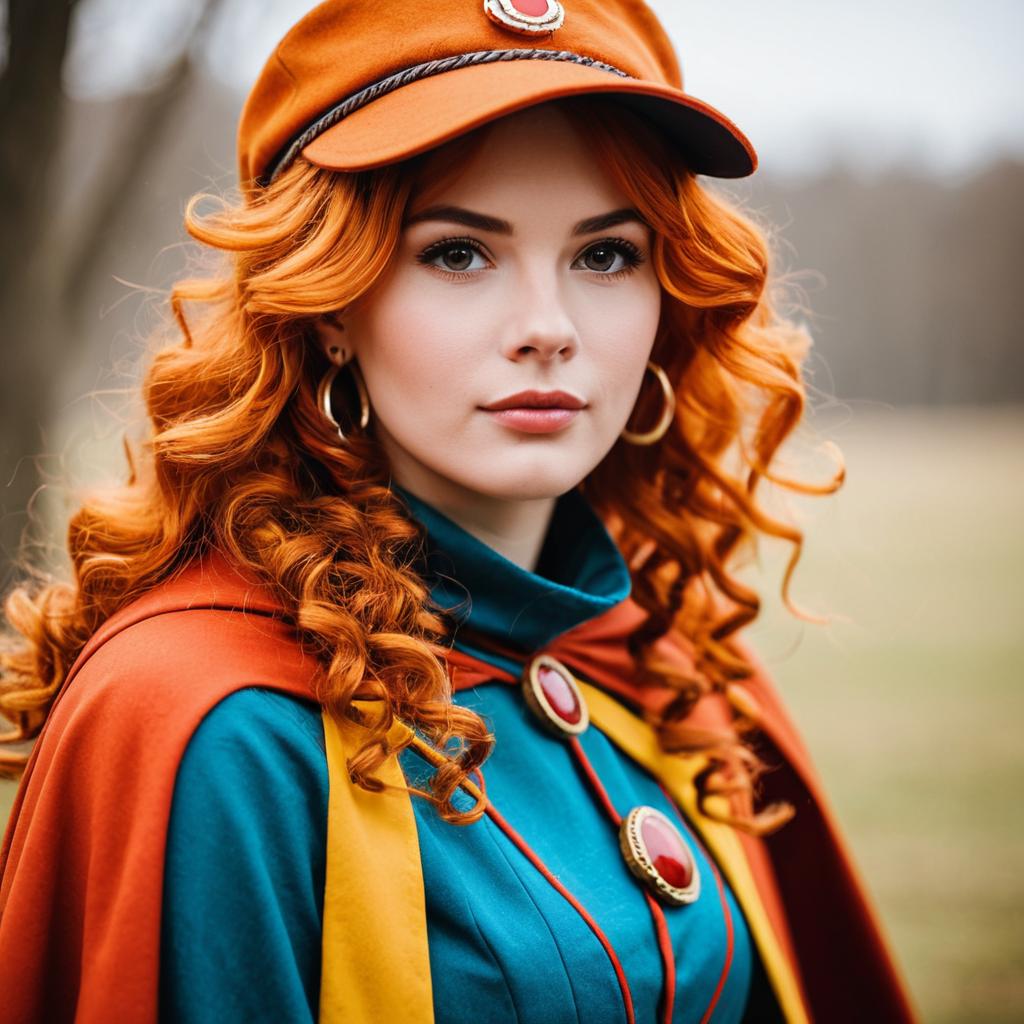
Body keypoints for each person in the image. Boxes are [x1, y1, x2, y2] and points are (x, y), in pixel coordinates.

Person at [0, 1, 917, 1021]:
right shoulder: (216, 723)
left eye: (605, 255)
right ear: (332, 305)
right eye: (458, 253)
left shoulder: (664, 656)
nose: (547, 328)